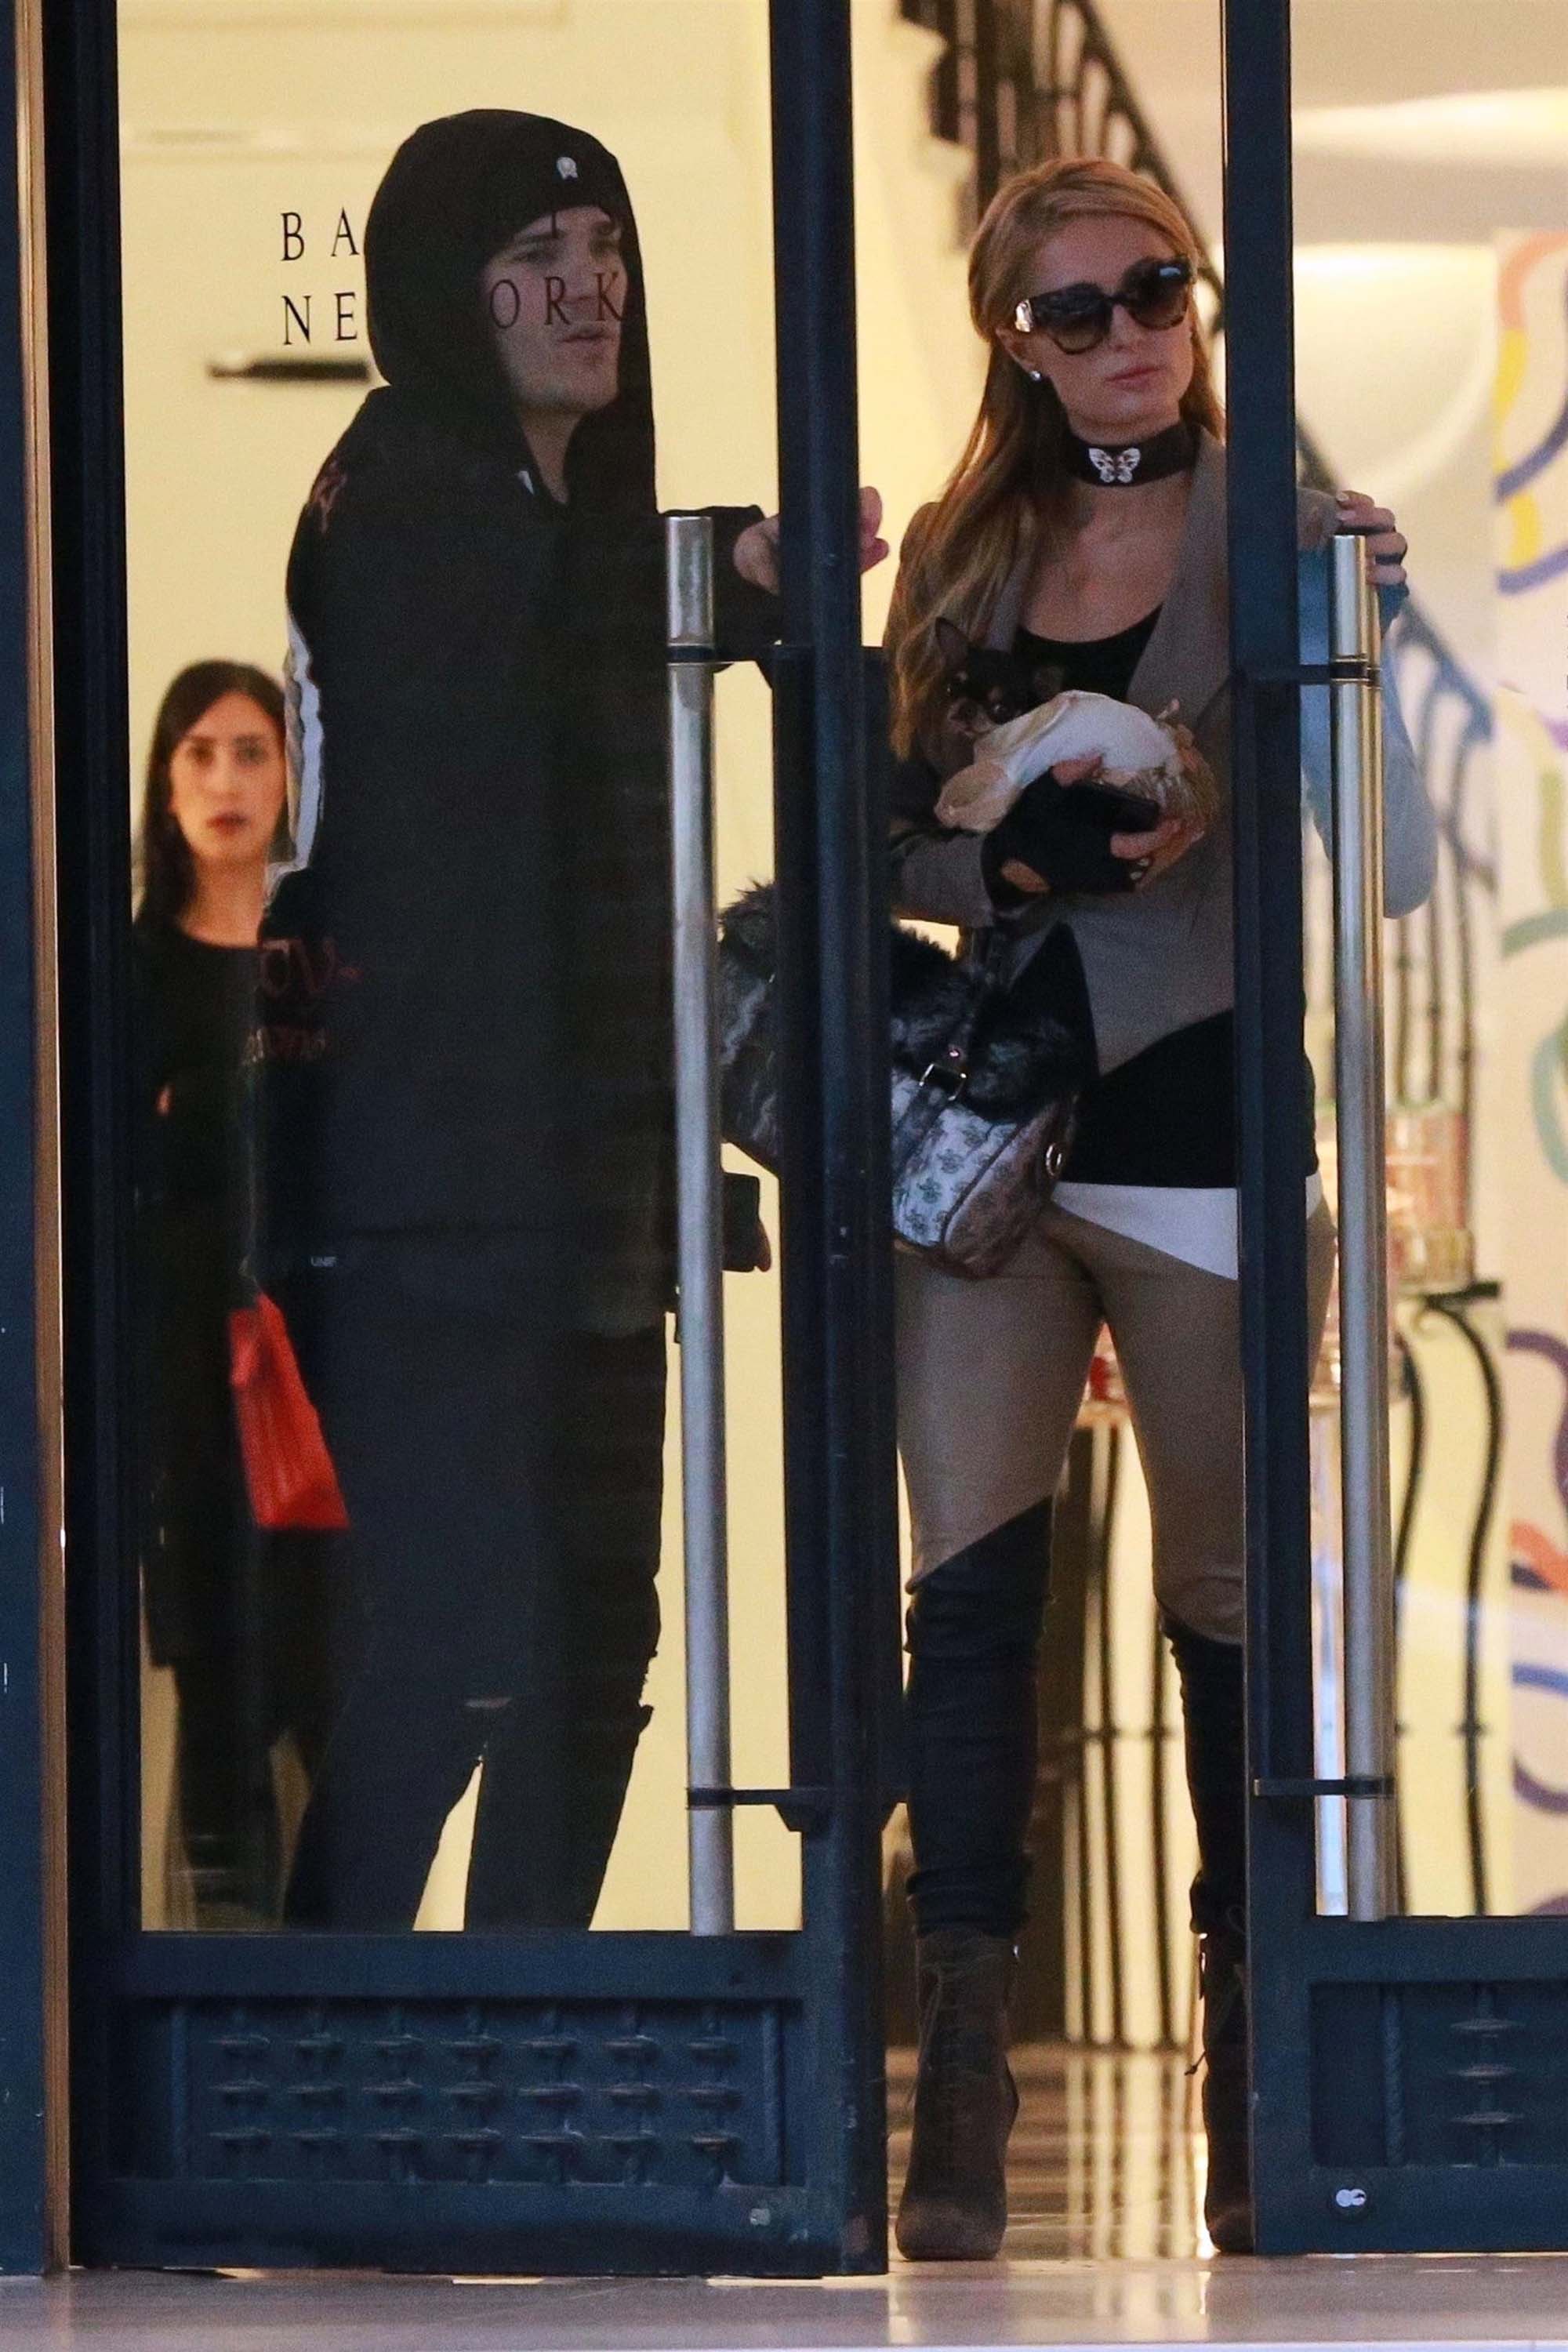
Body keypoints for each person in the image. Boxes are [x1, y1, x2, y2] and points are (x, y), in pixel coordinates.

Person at [881, 155, 1436, 2259]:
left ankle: (1238, 2043)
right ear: (1013, 341)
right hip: (995, 1141)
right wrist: (1006, 864)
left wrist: (1358, 639)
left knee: (1223, 1602)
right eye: (1076, 309)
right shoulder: (961, 551)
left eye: (1156, 291)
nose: (1128, 334)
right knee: (971, 1597)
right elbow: (884, 849)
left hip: (1203, 1113)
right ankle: (960, 2058)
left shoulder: (1271, 532)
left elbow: (1386, 863)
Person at [259, 110, 884, 1932]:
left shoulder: (575, 526)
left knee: (596, 1644)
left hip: (587, 1195)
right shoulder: (400, 491)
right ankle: (326, 2042)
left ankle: (520, 2029)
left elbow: (597, 623)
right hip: (434, 1201)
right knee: (458, 1639)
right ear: (446, 296)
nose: (587, 287)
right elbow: (538, 624)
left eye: (604, 248)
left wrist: (744, 589)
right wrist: (734, 573)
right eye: (534, 260)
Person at [132, 660, 332, 1926]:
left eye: (252, 751)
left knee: (332, 1671)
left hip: (324, 1366)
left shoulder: (325, 961)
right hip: (182, 1373)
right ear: (164, 784)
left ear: (292, 777)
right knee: (212, 1669)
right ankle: (225, 1964)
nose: (226, 780)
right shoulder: (126, 970)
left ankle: (337, 1969)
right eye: (200, 752)